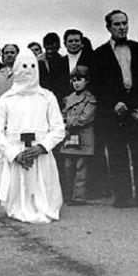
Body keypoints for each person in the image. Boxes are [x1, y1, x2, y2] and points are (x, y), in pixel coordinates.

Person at [0, 48, 66, 224]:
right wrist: (14, 153)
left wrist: (41, 147)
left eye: (32, 66)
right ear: (16, 69)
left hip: (40, 154)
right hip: (17, 153)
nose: (28, 70)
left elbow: (58, 129)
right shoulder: (6, 99)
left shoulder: (47, 97)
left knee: (43, 200)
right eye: (23, 66)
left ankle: (44, 206)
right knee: (18, 199)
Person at [93, 9, 138, 208]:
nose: (122, 27)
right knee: (117, 154)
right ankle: (122, 196)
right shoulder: (100, 54)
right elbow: (97, 84)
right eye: (117, 24)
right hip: (114, 113)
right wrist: (113, 103)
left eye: (124, 23)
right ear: (108, 27)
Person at [60, 65, 97, 205]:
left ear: (87, 81)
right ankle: (68, 195)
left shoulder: (90, 99)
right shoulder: (68, 98)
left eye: (80, 79)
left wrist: (68, 122)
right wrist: (64, 123)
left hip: (84, 137)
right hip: (70, 136)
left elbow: (85, 118)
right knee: (68, 166)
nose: (76, 83)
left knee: (81, 168)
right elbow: (62, 114)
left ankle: (79, 197)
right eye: (74, 80)